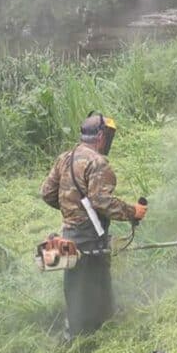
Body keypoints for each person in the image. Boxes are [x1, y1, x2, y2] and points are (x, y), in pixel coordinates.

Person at [40, 112, 147, 339]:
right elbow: (102, 201)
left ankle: (83, 330)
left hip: (69, 232)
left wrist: (71, 211)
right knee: (94, 279)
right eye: (107, 136)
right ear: (100, 136)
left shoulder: (65, 158)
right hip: (90, 235)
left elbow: (47, 193)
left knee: (74, 281)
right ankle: (90, 333)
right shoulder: (98, 162)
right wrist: (133, 212)